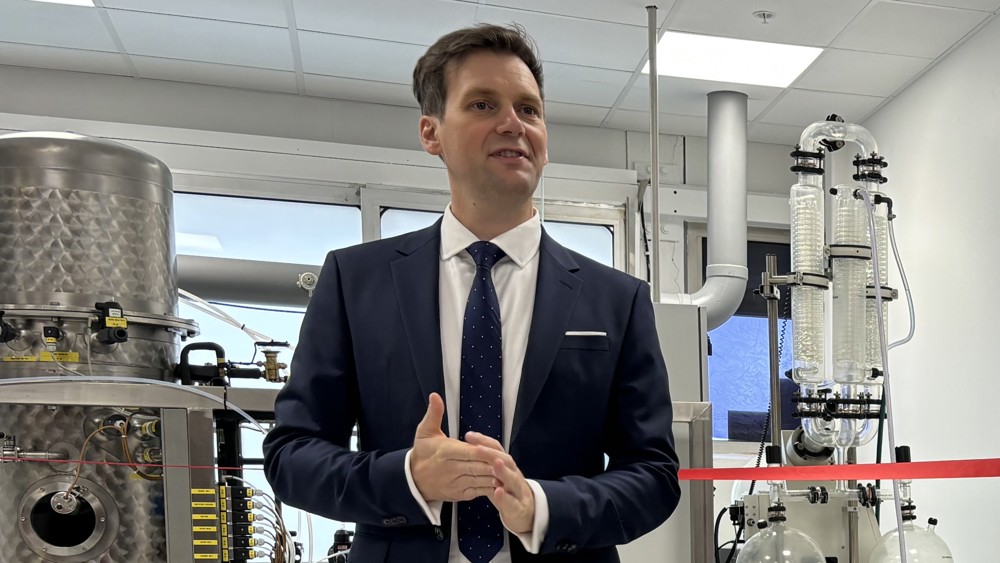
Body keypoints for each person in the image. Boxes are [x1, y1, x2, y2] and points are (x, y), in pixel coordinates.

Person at [263, 23, 680, 563]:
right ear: (431, 133)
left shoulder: (616, 299)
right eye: (483, 105)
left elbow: (654, 474)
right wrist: (409, 477)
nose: (513, 124)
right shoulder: (355, 281)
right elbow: (291, 456)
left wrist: (543, 507)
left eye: (529, 110)